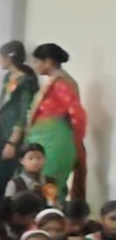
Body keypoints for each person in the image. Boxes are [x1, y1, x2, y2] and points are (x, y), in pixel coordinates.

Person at [0, 39, 41, 212]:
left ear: (9, 58)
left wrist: (13, 141)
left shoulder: (26, 81)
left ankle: (1, 210)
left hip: (10, 134)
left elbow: (24, 112)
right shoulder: (8, 77)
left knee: (2, 174)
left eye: (0, 57)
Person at [25, 41, 86, 201]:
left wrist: (77, 142)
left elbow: (78, 115)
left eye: (37, 61)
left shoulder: (62, 84)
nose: (35, 65)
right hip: (44, 141)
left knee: (49, 185)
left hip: (55, 143)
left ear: (48, 62)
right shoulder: (53, 81)